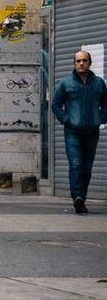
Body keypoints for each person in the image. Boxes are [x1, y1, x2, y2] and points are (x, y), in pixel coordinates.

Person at [52, 50, 107, 214]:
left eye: (84, 61)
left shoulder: (98, 83)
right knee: (76, 163)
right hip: (72, 132)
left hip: (92, 131)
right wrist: (66, 120)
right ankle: (77, 197)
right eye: (78, 61)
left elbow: (105, 103)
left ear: (89, 63)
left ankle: (81, 197)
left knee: (87, 168)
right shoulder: (66, 83)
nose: (81, 63)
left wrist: (102, 118)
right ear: (74, 64)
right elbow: (55, 105)